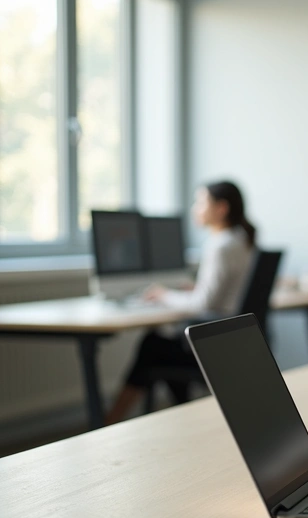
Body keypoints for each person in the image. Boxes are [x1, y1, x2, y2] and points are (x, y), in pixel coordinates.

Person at [105, 180, 257, 424]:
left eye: (200, 202)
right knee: (160, 346)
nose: (195, 208)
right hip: (233, 340)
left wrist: (164, 295)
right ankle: (185, 418)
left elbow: (202, 304)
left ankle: (109, 422)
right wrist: (195, 290)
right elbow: (221, 294)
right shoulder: (241, 240)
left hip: (214, 343)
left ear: (221, 208)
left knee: (152, 345)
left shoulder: (220, 245)